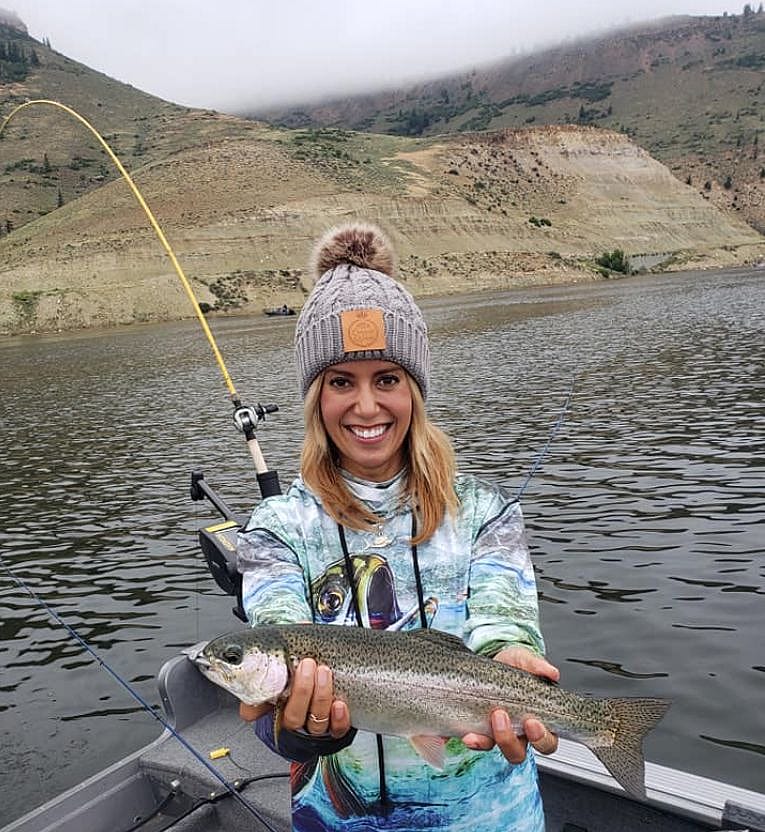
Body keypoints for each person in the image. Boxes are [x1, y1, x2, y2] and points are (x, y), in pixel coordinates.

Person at [237, 222, 560, 831]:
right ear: (315, 397)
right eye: (341, 382)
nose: (365, 407)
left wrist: (513, 655)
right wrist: (298, 731)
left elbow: (503, 625)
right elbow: (272, 653)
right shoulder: (274, 529)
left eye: (387, 379)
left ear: (415, 389)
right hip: (336, 819)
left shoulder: (487, 512)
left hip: (493, 817)